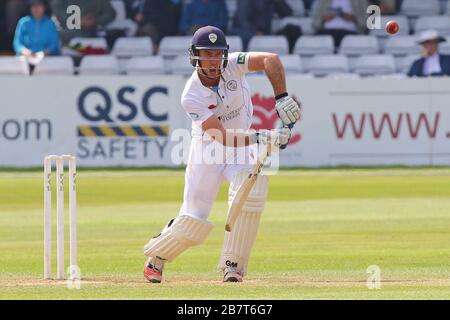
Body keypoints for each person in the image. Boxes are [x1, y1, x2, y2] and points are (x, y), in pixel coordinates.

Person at [142, 26, 302, 283]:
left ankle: (233, 266)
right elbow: (220, 136)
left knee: (252, 194)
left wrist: (281, 98)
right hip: (208, 149)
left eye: (218, 54)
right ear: (196, 57)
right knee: (194, 220)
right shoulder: (191, 94)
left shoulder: (234, 65)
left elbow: (270, 59)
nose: (214, 61)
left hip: (242, 147)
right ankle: (157, 256)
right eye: (207, 55)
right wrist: (261, 136)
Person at [50, 0, 116, 45]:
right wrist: (77, 20)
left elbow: (111, 13)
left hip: (93, 31)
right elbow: (58, 12)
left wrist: (95, 20)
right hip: (67, 32)